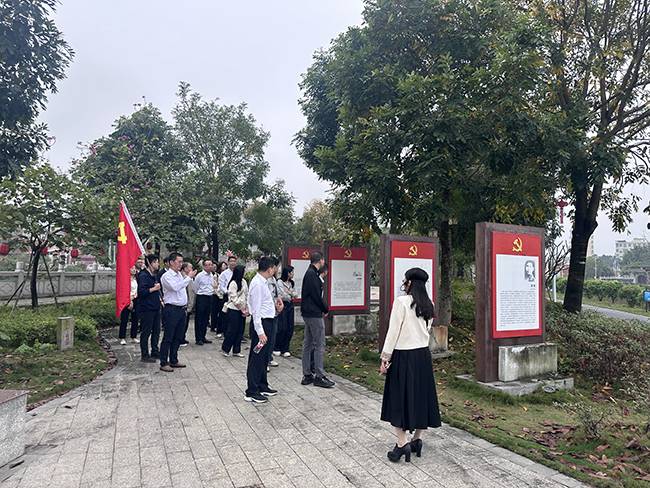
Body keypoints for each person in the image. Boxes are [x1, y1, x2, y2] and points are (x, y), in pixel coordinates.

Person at [380, 267, 441, 463]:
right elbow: (426, 329)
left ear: (409, 283)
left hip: (403, 356)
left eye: (405, 281)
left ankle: (401, 443)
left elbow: (393, 332)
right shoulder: (429, 304)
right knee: (421, 397)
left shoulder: (402, 302)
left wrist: (385, 357)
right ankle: (417, 440)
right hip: (422, 356)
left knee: (398, 398)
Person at [245, 256, 279, 404]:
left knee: (264, 357)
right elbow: (256, 310)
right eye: (274, 268)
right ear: (270, 268)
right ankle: (252, 391)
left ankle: (262, 385)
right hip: (262, 324)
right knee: (257, 358)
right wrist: (260, 332)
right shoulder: (258, 284)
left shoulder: (263, 282)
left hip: (268, 322)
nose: (275, 270)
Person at [300, 252, 335, 388]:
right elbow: (316, 296)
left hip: (308, 313)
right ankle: (319, 376)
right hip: (313, 314)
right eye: (323, 260)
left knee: (308, 343)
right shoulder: (312, 275)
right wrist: (325, 309)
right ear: (320, 260)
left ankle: (307, 374)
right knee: (319, 344)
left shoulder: (310, 273)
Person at [159, 252, 196, 372]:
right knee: (168, 336)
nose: (181, 264)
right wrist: (188, 277)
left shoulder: (179, 274)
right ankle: (164, 362)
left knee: (178, 336)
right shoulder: (166, 276)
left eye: (181, 262)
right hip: (171, 309)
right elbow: (175, 287)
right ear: (171, 262)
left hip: (181, 309)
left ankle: (173, 359)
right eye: (178, 262)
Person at [137, 255, 162, 363]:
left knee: (156, 331)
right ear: (150, 263)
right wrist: (153, 289)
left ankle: (155, 351)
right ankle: (145, 354)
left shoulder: (154, 275)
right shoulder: (143, 275)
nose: (158, 264)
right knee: (146, 332)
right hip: (147, 308)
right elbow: (141, 292)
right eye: (156, 262)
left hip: (156, 306)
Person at [221, 265, 248, 357]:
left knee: (240, 330)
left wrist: (246, 308)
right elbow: (233, 298)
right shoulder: (233, 283)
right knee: (232, 330)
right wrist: (241, 308)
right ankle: (226, 349)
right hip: (234, 309)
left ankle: (236, 350)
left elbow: (247, 294)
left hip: (242, 309)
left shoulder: (244, 282)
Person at [274, 265, 298, 357]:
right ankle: (277, 347)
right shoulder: (279, 282)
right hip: (282, 305)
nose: (293, 274)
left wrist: (289, 293)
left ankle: (285, 348)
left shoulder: (291, 283)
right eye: (292, 272)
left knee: (290, 327)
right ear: (287, 273)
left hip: (290, 306)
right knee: (282, 327)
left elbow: (295, 294)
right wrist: (290, 294)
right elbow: (282, 295)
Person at [266, 257, 284, 369]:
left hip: (274, 313)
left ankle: (269, 358)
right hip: (267, 314)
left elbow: (276, 295)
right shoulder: (265, 280)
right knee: (266, 339)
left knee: (272, 338)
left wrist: (279, 302)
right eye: (277, 267)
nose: (277, 269)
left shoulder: (273, 279)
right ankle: (263, 361)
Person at [193, 259, 215, 346]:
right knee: (199, 318)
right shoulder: (200, 276)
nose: (210, 266)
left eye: (211, 264)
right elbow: (195, 287)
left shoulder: (212, 275)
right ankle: (198, 338)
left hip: (210, 297)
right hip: (201, 297)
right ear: (204, 266)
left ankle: (203, 336)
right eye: (208, 265)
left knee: (206, 318)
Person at [217, 256, 237, 338]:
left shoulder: (237, 272)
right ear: (228, 262)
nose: (233, 263)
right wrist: (228, 292)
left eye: (234, 261)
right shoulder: (224, 273)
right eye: (231, 261)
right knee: (224, 314)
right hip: (227, 295)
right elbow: (221, 285)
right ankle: (223, 331)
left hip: (235, 296)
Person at [119, 266, 139, 345]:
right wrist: (130, 301)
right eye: (131, 268)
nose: (133, 270)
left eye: (134, 268)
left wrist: (135, 296)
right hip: (126, 299)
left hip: (135, 299)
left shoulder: (136, 279)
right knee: (124, 319)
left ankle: (133, 336)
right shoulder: (125, 280)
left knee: (135, 318)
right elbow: (124, 290)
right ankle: (122, 337)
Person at [181, 262, 195, 347]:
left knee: (186, 323)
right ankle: (180, 338)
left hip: (189, 303)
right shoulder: (184, 278)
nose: (192, 269)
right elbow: (187, 292)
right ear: (185, 269)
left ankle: (183, 337)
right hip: (185, 304)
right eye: (190, 267)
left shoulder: (190, 278)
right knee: (183, 324)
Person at [211, 261, 227, 333]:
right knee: (215, 311)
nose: (224, 267)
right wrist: (219, 295)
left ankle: (220, 327)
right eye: (223, 265)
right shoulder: (216, 275)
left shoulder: (226, 275)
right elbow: (215, 286)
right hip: (216, 295)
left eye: (225, 265)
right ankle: (213, 326)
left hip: (222, 295)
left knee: (222, 311)